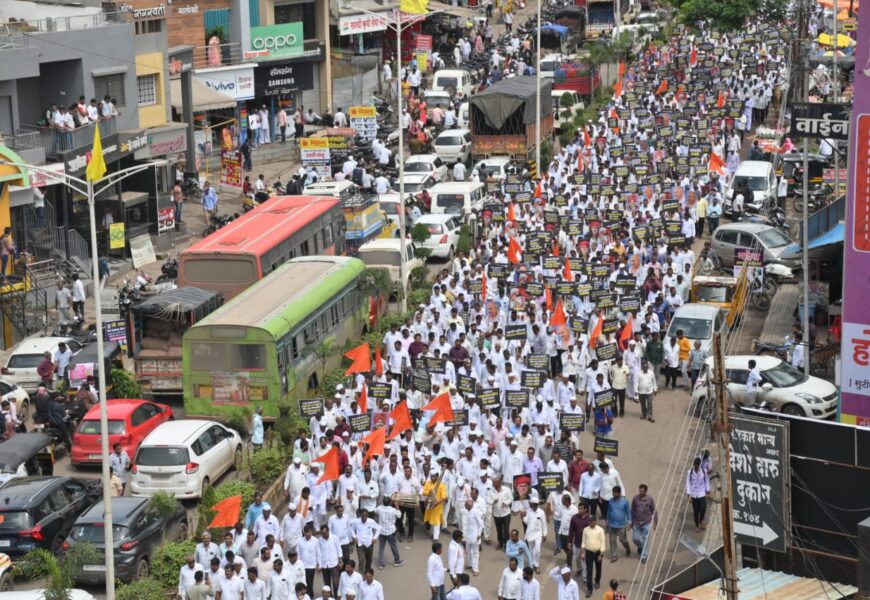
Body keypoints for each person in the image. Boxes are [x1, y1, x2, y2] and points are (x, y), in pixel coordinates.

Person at [605, 486, 631, 563]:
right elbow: (608, 511)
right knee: (612, 540)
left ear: (619, 493)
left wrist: (629, 522)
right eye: (613, 493)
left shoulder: (625, 501)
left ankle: (627, 547)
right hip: (612, 524)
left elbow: (628, 512)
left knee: (623, 540)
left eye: (616, 493)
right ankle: (614, 556)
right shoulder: (610, 501)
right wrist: (607, 520)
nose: (614, 494)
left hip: (621, 525)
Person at [580, 519, 605, 597]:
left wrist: (601, 554)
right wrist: (583, 553)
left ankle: (597, 581)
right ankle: (589, 589)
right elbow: (583, 542)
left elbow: (603, 543)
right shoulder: (585, 530)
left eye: (592, 521)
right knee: (589, 571)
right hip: (589, 552)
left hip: (597, 552)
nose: (590, 522)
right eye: (589, 521)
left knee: (598, 568)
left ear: (595, 521)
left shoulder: (600, 530)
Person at [685, 457, 710, 532]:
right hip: (694, 494)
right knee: (696, 511)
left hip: (702, 493)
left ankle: (701, 520)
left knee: (703, 508)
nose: (696, 467)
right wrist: (689, 495)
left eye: (697, 465)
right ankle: (696, 526)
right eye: (695, 465)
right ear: (694, 464)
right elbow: (688, 483)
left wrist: (708, 490)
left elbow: (706, 481)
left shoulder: (703, 471)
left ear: (699, 465)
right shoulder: (690, 472)